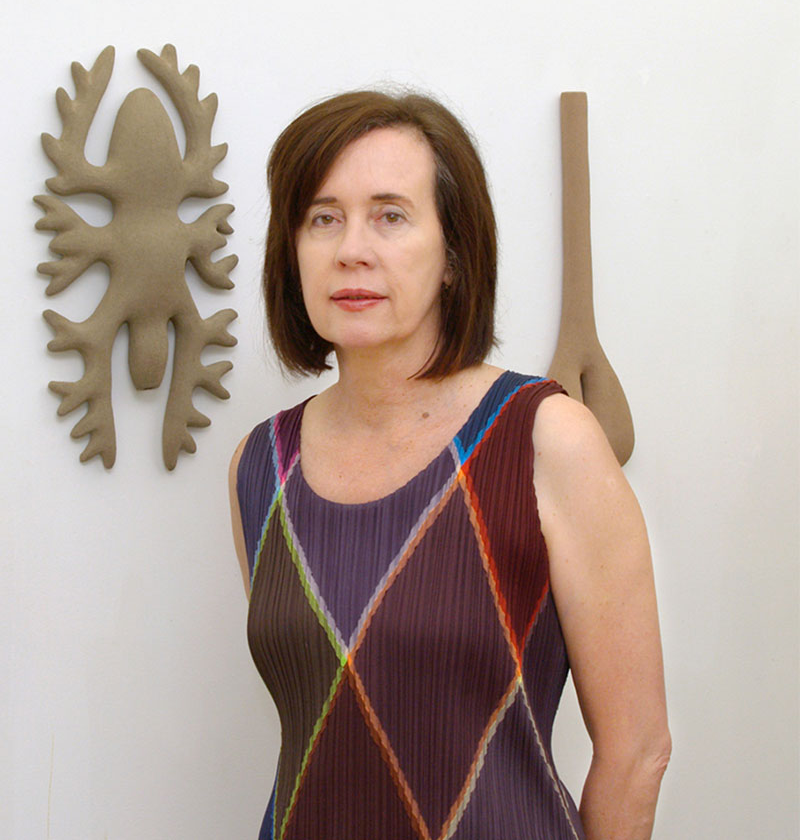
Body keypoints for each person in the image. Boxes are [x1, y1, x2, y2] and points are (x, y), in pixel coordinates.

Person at [229, 92, 668, 838]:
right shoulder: (262, 465)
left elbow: (637, 752)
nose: (351, 249)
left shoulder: (546, 437)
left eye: (391, 215)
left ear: (454, 255)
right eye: (322, 217)